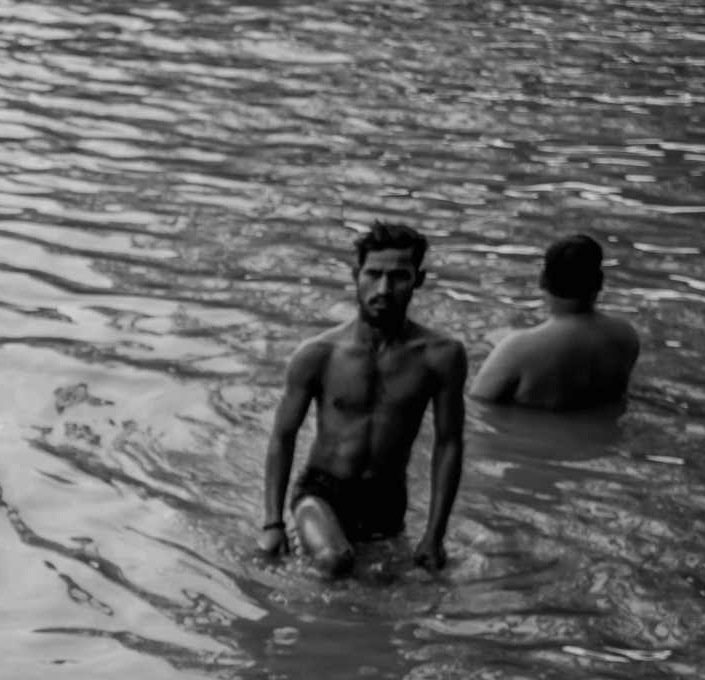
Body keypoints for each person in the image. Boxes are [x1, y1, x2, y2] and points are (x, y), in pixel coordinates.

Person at [261, 221, 469, 575]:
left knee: (383, 595)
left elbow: (449, 444)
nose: (384, 288)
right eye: (373, 274)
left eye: (399, 276)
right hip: (322, 490)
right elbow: (283, 435)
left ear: (417, 280)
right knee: (334, 560)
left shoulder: (441, 357)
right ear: (356, 275)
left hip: (387, 501)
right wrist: (272, 523)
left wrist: (435, 535)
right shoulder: (318, 354)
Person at [469, 233, 640, 412]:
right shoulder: (626, 334)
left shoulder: (520, 350)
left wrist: (508, 348)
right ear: (599, 282)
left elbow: (476, 406)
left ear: (542, 279)